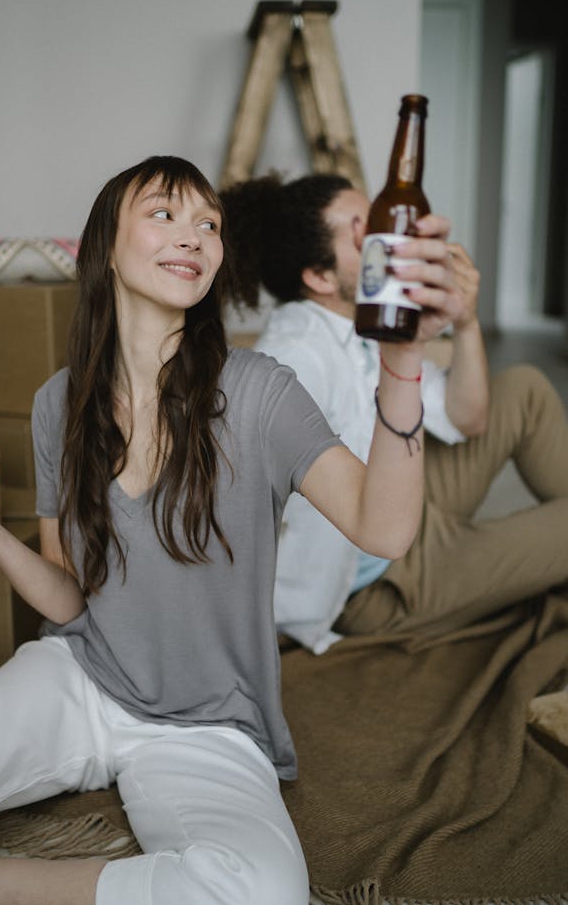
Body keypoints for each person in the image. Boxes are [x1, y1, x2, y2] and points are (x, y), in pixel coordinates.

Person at [0, 156, 464, 905]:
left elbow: (385, 527)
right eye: (165, 213)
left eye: (209, 224)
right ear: (107, 246)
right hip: (84, 679)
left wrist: (402, 363)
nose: (194, 234)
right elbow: (70, 602)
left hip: (208, 725)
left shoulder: (262, 392)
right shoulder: (59, 403)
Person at [221, 172, 568, 653]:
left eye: (381, 220)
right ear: (320, 278)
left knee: (524, 388)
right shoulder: (297, 358)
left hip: (404, 502)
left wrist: (465, 322)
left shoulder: (365, 319)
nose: (389, 238)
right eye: (362, 232)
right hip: (373, 580)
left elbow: (470, 420)